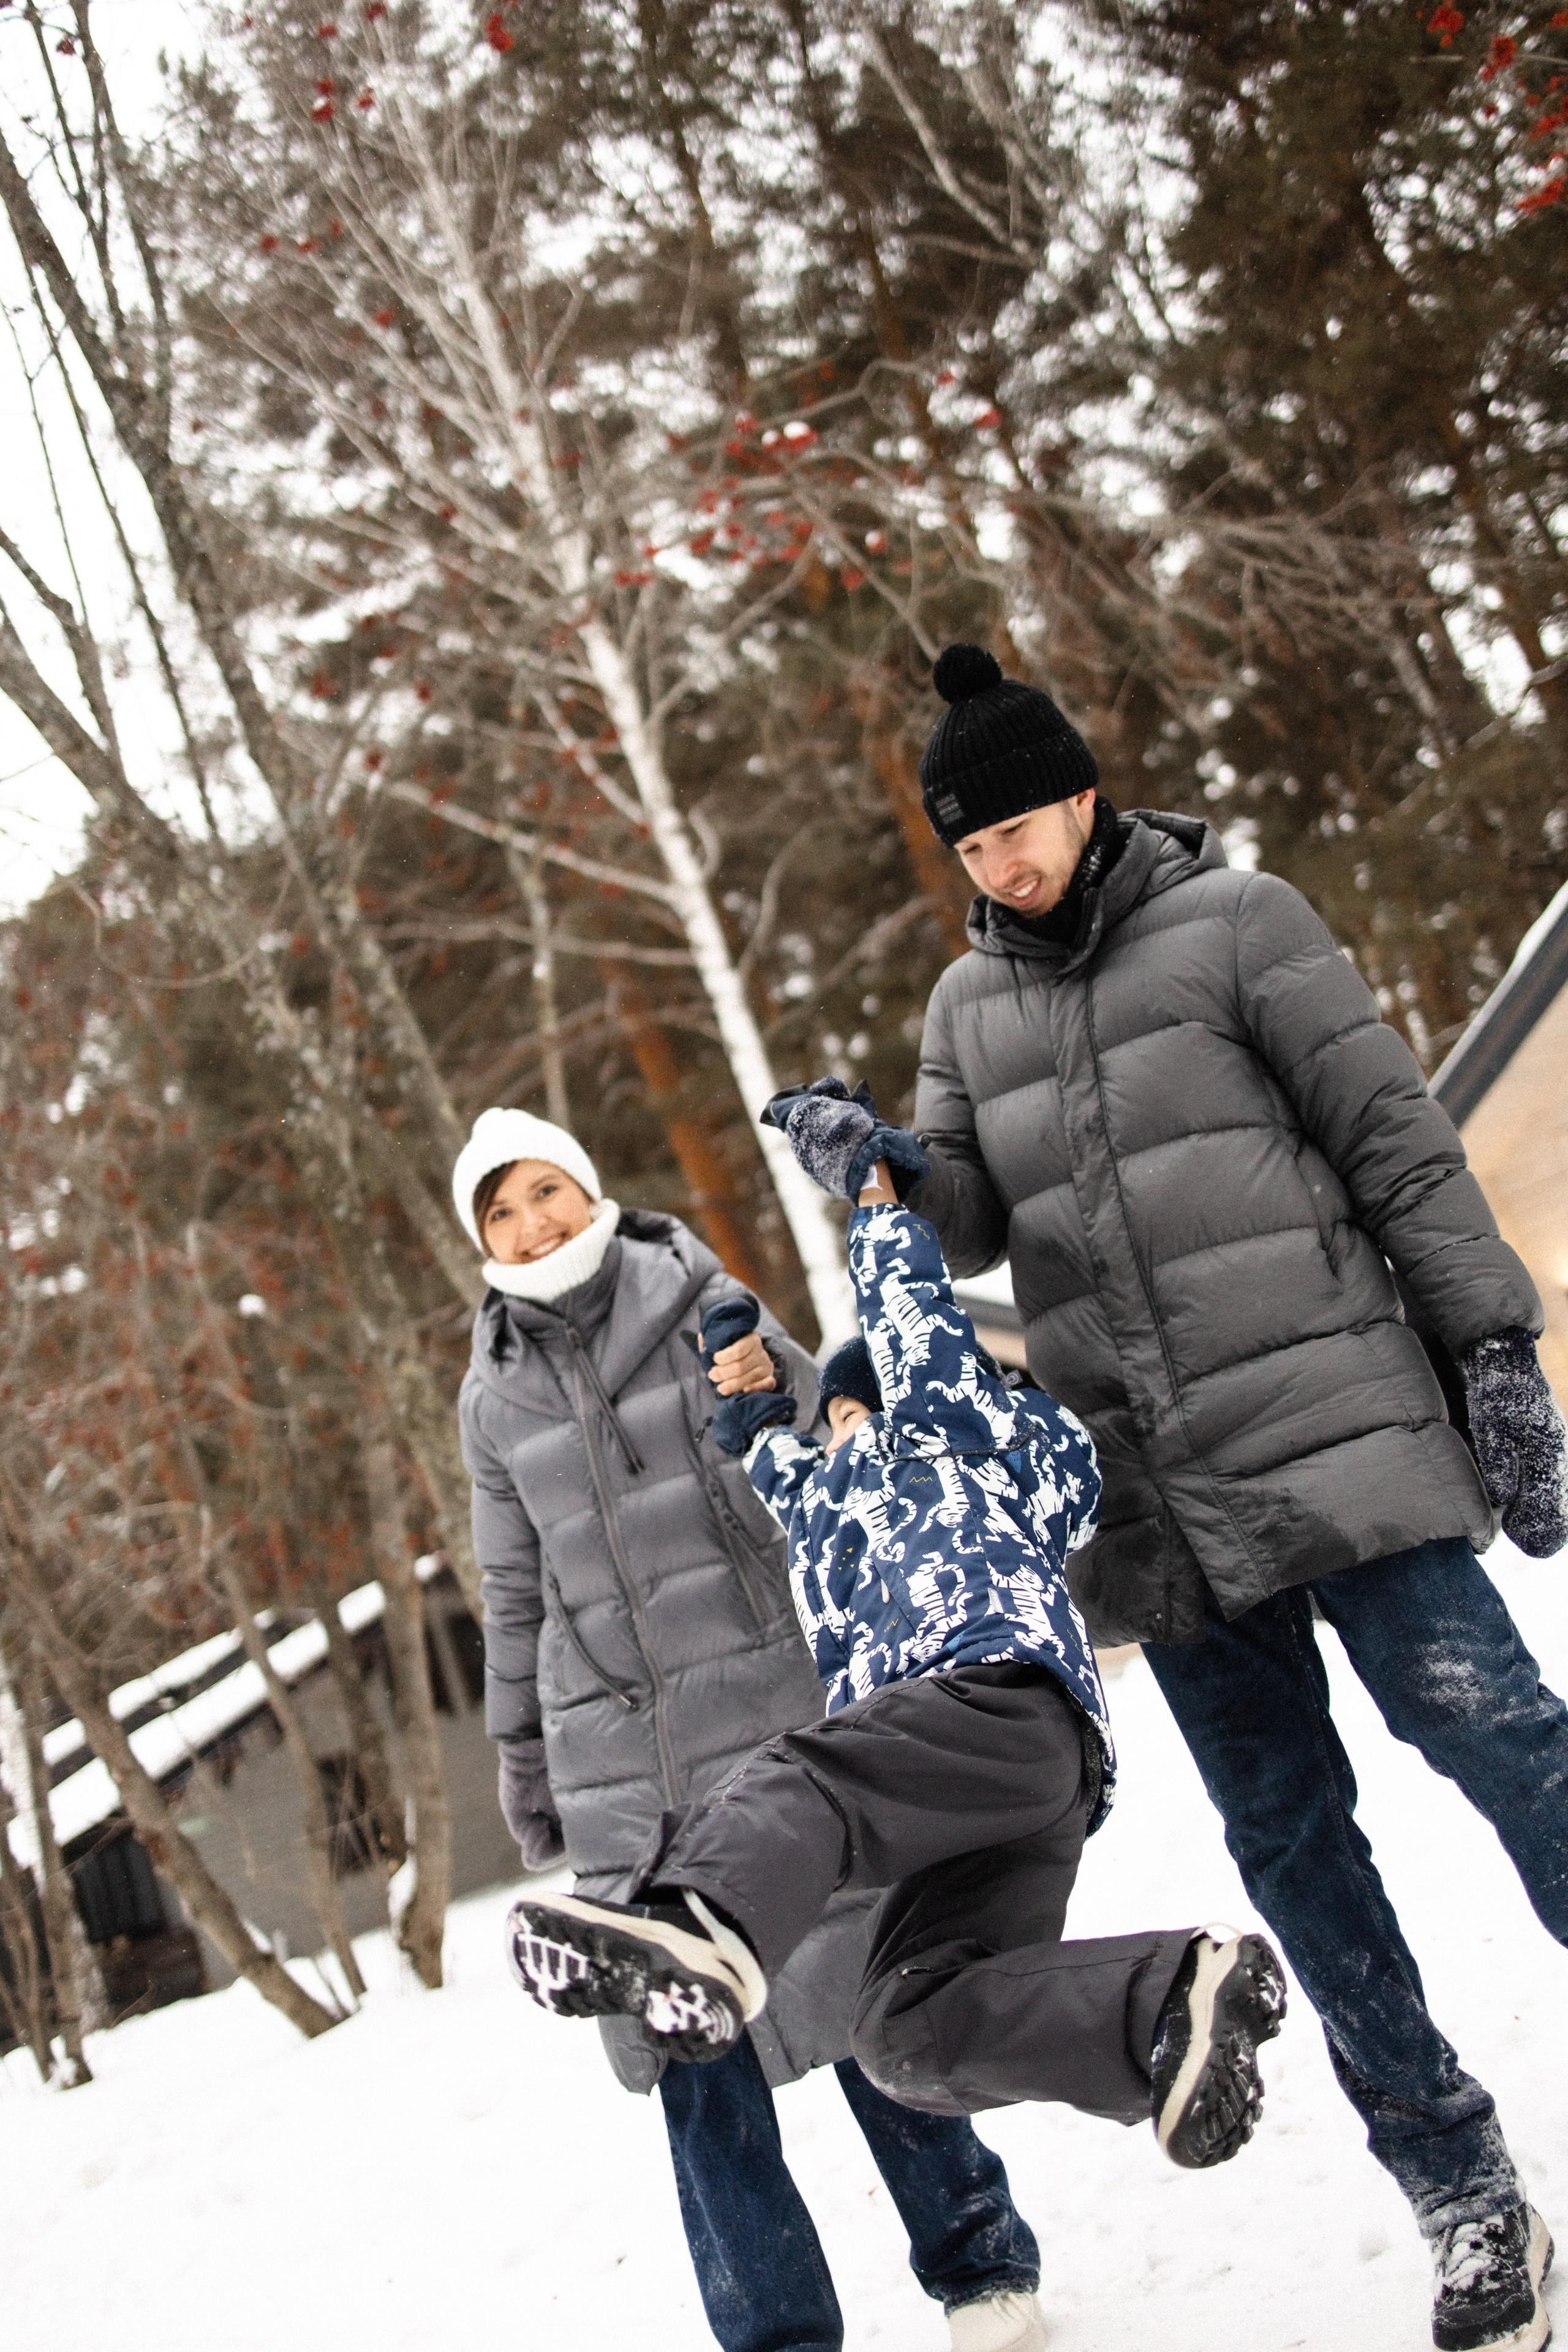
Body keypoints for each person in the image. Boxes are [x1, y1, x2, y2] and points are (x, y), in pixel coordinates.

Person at [900, 640, 1568, 2352]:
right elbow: (970, 1220)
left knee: (1505, 1742)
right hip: (1158, 1513)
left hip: (1334, 1431)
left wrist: (1495, 1350)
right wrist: (890, 1174)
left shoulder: (1242, 924)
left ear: (1080, 793)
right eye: (969, 850)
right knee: (1295, 1854)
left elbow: (1392, 1136)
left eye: (1017, 831)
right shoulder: (961, 1013)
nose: (1002, 867)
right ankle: (1460, 2186)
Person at [505, 1093, 1286, 2210]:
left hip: (994, 1693)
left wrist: (873, 1192)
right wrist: (754, 1400)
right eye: (831, 1422)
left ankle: (698, 1932)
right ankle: (1161, 2005)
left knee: (803, 1774)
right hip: (993, 1799)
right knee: (905, 2029)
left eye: (848, 1408)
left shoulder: (953, 1430)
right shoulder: (831, 1495)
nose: (837, 1430)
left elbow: (913, 1322)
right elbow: (775, 1463)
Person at [452, 1105, 1050, 2352]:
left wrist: (767, 1388)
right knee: (692, 2065)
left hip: (776, 1702)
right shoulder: (490, 1394)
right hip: (622, 1761)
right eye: (499, 1212)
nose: (529, 1225)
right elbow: (508, 1590)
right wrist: (522, 1757)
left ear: (586, 1182)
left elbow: (822, 1443)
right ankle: (775, 2337)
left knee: (863, 1996)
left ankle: (979, 2267)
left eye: (542, 1192)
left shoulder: (693, 1297)